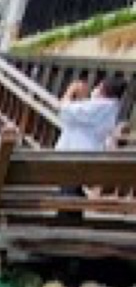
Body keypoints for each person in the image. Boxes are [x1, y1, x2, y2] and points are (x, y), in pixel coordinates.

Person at [55, 75, 128, 218]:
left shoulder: (101, 106)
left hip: (75, 157)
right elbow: (81, 115)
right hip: (84, 156)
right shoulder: (107, 107)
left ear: (102, 89)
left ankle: (66, 222)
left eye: (98, 87)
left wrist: (70, 91)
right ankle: (70, 219)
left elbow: (64, 109)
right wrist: (81, 98)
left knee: (69, 191)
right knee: (71, 190)